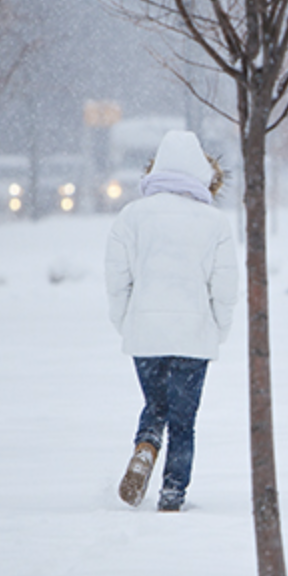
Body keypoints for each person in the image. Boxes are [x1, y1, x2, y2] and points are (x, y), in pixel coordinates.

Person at [105, 129, 239, 511]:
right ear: (201, 171)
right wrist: (217, 329)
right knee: (183, 420)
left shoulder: (132, 217)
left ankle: (146, 444)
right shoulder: (213, 222)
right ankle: (172, 493)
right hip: (193, 335)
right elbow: (225, 287)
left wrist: (126, 322)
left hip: (145, 333)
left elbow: (117, 279)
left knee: (156, 405)